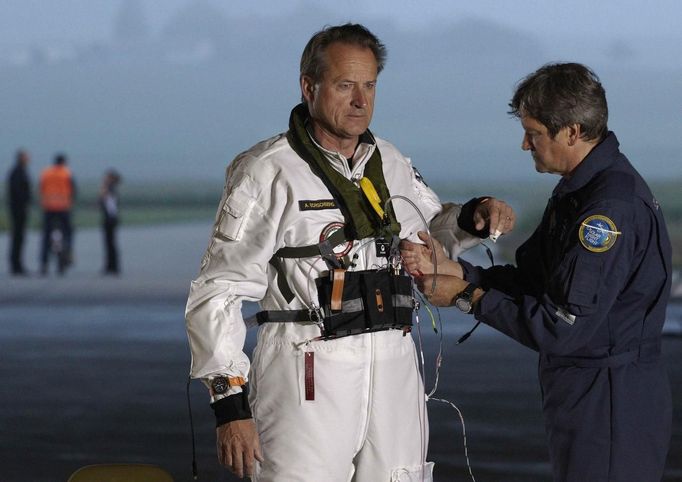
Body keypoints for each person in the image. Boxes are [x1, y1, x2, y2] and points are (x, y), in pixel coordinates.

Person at [185, 23, 516, 481]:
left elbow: (431, 237)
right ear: (309, 87)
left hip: (395, 368)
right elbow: (218, 290)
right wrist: (229, 404)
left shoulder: (391, 162)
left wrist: (470, 219)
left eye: (370, 85)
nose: (361, 101)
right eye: (345, 86)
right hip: (307, 372)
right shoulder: (266, 171)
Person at [403, 62, 672, 482]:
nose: (525, 145)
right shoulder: (580, 192)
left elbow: (562, 326)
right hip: (585, 392)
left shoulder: (607, 210)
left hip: (611, 399)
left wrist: (463, 297)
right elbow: (536, 283)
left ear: (572, 132)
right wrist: (459, 270)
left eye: (534, 133)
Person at [39, 153, 76, 275]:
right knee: (68, 233)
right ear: (63, 162)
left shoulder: (46, 172)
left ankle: (44, 264)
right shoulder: (66, 173)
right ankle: (67, 254)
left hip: (48, 207)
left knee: (46, 236)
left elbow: (41, 188)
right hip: (63, 208)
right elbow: (73, 190)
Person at [6, 149, 32, 275]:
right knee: (17, 237)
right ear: (21, 158)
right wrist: (23, 205)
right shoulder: (18, 172)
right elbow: (18, 192)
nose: (28, 159)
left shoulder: (19, 171)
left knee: (19, 237)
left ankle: (17, 264)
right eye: (26, 157)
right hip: (18, 210)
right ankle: (16, 265)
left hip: (18, 209)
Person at [99, 169, 121, 275]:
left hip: (110, 218)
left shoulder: (109, 189)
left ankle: (113, 266)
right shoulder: (111, 189)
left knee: (110, 243)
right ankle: (110, 266)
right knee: (110, 243)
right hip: (111, 218)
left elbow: (110, 206)